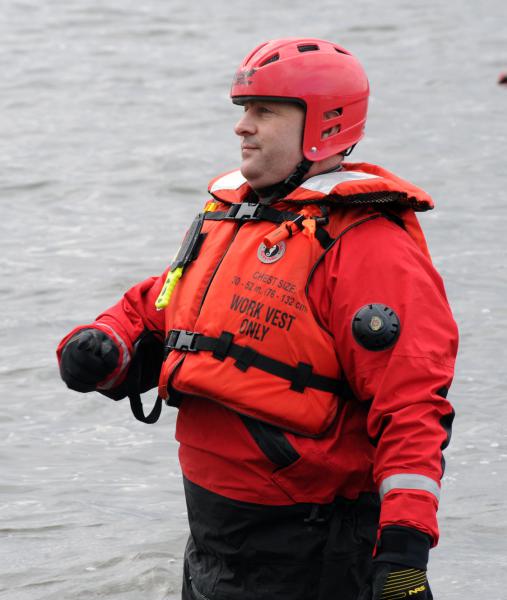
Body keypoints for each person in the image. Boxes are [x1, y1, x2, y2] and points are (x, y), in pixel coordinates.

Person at [57, 38, 459, 600]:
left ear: (322, 123)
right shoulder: (231, 215)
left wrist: (404, 555)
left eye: (264, 110)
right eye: (243, 109)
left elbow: (412, 404)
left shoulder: (369, 247)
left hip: (313, 545)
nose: (243, 127)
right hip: (217, 541)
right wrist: (105, 343)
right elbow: (164, 303)